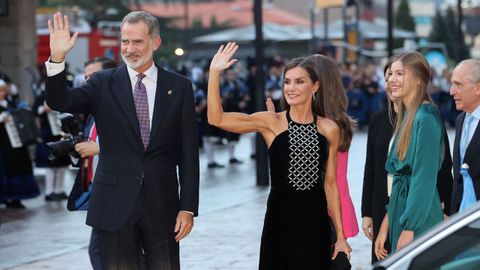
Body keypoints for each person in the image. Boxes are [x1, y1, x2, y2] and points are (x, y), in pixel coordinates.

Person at [45, 11, 199, 269]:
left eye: (137, 42)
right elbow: (60, 100)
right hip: (113, 204)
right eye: (125, 41)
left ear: (155, 43)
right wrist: (57, 58)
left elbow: (188, 152)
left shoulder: (179, 86)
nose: (129, 49)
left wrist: (188, 208)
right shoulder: (102, 83)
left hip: (163, 207)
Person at [208, 42, 351, 269]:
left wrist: (341, 236)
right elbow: (217, 119)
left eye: (299, 81)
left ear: (315, 86)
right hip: (279, 221)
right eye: (287, 82)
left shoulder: (329, 129)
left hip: (316, 224)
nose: (290, 88)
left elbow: (331, 185)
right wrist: (214, 73)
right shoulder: (271, 122)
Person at [362, 59, 453, 263]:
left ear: (419, 79)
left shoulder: (426, 117)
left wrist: (410, 227)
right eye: (390, 74)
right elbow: (397, 180)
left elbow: (424, 178)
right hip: (400, 213)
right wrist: (385, 224)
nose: (392, 79)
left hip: (417, 218)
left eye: (400, 74)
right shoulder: (409, 115)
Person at [0, 79, 40, 209]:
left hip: (16, 142)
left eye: (4, 90)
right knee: (6, 168)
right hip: (3, 144)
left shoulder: (11, 103)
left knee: (19, 166)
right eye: (0, 91)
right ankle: (6, 197)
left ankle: (17, 197)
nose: (2, 93)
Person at [449, 59, 480, 213]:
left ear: (478, 88)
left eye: (458, 85)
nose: (451, 91)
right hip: (461, 222)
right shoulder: (460, 120)